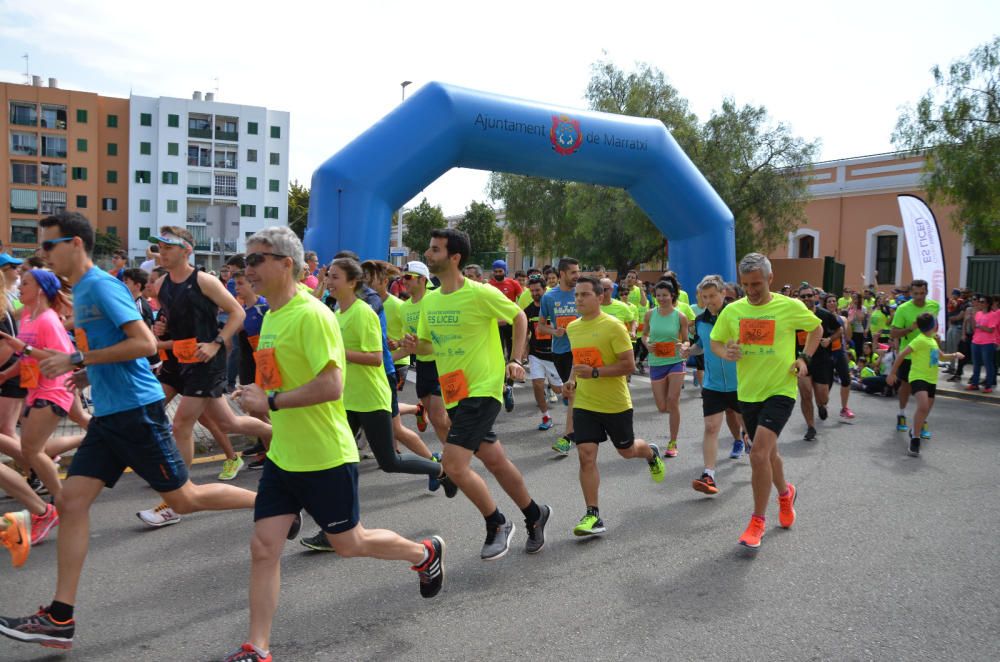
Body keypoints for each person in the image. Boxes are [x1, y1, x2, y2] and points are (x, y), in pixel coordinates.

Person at [0, 212, 260, 651]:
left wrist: (80, 362)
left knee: (186, 499)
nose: (42, 255)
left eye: (48, 246)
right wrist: (86, 372)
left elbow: (141, 343)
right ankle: (59, 617)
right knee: (70, 501)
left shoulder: (100, 285)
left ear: (75, 245)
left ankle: (279, 502)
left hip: (136, 412)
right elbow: (111, 350)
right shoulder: (81, 290)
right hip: (110, 415)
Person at [226, 227, 443, 662]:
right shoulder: (272, 315)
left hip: (325, 455)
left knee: (349, 543)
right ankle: (258, 647)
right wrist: (258, 394)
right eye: (245, 260)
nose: (246, 269)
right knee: (263, 547)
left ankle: (423, 552)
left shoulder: (312, 314)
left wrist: (269, 400)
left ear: (286, 264)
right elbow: (282, 379)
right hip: (286, 455)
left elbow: (331, 384)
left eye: (256, 260)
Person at [402, 228, 551, 559]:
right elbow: (430, 344)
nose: (427, 254)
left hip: (483, 389)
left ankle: (497, 523)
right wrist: (415, 345)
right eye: (429, 248)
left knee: (454, 465)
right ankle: (534, 513)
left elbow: (518, 316)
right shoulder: (431, 300)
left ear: (454, 257)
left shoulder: (480, 293)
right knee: (496, 461)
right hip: (455, 391)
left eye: (435, 250)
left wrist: (515, 359)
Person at [138, 226, 271, 526]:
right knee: (229, 422)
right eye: (159, 246)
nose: (162, 251)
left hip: (208, 360)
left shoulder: (204, 280)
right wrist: (163, 329)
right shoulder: (161, 285)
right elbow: (173, 321)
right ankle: (282, 434)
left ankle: (175, 501)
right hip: (184, 360)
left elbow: (236, 313)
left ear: (186, 250)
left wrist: (216, 343)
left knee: (181, 422)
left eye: (168, 246)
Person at [710, 253, 821, 550]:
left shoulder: (789, 306)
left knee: (758, 454)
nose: (751, 290)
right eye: (746, 284)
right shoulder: (733, 311)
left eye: (757, 283)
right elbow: (716, 341)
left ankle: (757, 521)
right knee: (769, 454)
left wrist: (804, 358)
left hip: (780, 389)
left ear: (770, 279)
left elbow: (816, 329)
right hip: (748, 393)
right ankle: (785, 494)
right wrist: (725, 353)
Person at [564, 276, 665, 536]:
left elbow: (628, 365)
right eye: (576, 295)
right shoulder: (573, 328)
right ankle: (592, 515)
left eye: (584, 295)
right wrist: (571, 380)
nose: (579, 299)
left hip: (615, 403)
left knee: (627, 451)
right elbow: (579, 360)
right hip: (586, 402)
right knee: (585, 455)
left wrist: (595, 372)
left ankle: (650, 452)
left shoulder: (614, 326)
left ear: (599, 298)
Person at [0, 269, 76, 501]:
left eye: (26, 284)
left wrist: (23, 347)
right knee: (32, 450)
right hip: (33, 389)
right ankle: (57, 493)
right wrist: (5, 375)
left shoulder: (48, 320)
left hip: (54, 390)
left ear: (40, 290)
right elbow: (27, 359)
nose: (20, 287)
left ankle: (62, 499)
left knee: (31, 450)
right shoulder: (27, 317)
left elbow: (66, 358)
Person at [688, 275, 744, 494]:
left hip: (740, 383)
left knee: (749, 430)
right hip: (713, 384)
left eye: (713, 295)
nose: (709, 300)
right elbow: (701, 345)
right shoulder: (701, 320)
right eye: (705, 297)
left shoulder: (737, 315)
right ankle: (709, 474)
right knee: (711, 427)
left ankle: (761, 461)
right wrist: (688, 350)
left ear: (723, 293)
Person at [887, 313, 964, 456]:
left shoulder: (932, 340)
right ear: (933, 325)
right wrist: (892, 373)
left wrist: (954, 355)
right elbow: (902, 354)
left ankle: (914, 430)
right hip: (918, 377)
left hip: (931, 379)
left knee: (926, 409)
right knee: (923, 406)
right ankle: (915, 440)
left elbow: (941, 356)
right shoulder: (919, 340)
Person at [399, 261, 452, 446]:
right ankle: (452, 454)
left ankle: (455, 456)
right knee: (437, 420)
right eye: (401, 277)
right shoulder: (404, 308)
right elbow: (409, 345)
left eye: (408, 277)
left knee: (438, 417)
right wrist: (385, 359)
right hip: (423, 366)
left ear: (422, 279)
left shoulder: (437, 298)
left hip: (443, 363)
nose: (403, 281)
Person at [641, 276, 689, 458]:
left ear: (673, 296)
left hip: (675, 361)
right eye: (658, 295)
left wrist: (684, 347)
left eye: (665, 295)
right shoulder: (649, 314)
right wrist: (647, 344)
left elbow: (686, 340)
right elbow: (644, 335)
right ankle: (673, 413)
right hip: (656, 362)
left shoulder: (680, 316)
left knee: (673, 399)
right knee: (662, 407)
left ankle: (673, 442)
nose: (661, 298)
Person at [539, 257, 580, 455]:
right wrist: (554, 332)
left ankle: (568, 436)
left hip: (580, 350)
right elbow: (541, 326)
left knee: (573, 391)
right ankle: (578, 423)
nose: (577, 276)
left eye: (578, 272)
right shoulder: (549, 297)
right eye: (573, 272)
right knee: (571, 392)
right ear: (562, 274)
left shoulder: (581, 293)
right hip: (560, 351)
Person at [890, 279, 940, 438]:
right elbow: (893, 333)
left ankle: (922, 420)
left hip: (928, 355)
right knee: (906, 386)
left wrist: (936, 337)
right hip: (910, 353)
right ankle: (902, 413)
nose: (919, 296)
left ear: (926, 292)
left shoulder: (934, 306)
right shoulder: (903, 309)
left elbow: (935, 327)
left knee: (929, 390)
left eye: (922, 293)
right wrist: (909, 329)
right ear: (911, 293)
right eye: (915, 293)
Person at [523, 275, 563, 431]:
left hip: (553, 354)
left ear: (545, 289)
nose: (534, 293)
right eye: (532, 290)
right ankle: (546, 416)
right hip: (536, 354)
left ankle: (567, 395)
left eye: (537, 290)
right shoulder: (528, 310)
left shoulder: (554, 307)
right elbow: (526, 333)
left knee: (559, 389)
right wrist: (521, 354)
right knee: (537, 384)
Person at [967, 293, 998, 393]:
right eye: (979, 301)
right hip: (976, 341)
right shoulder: (978, 314)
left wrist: (979, 326)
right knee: (976, 364)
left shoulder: (992, 315)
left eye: (982, 301)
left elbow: (990, 330)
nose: (979, 303)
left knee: (988, 364)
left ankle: (988, 386)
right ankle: (974, 384)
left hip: (987, 343)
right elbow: (974, 328)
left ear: (988, 304)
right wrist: (971, 319)